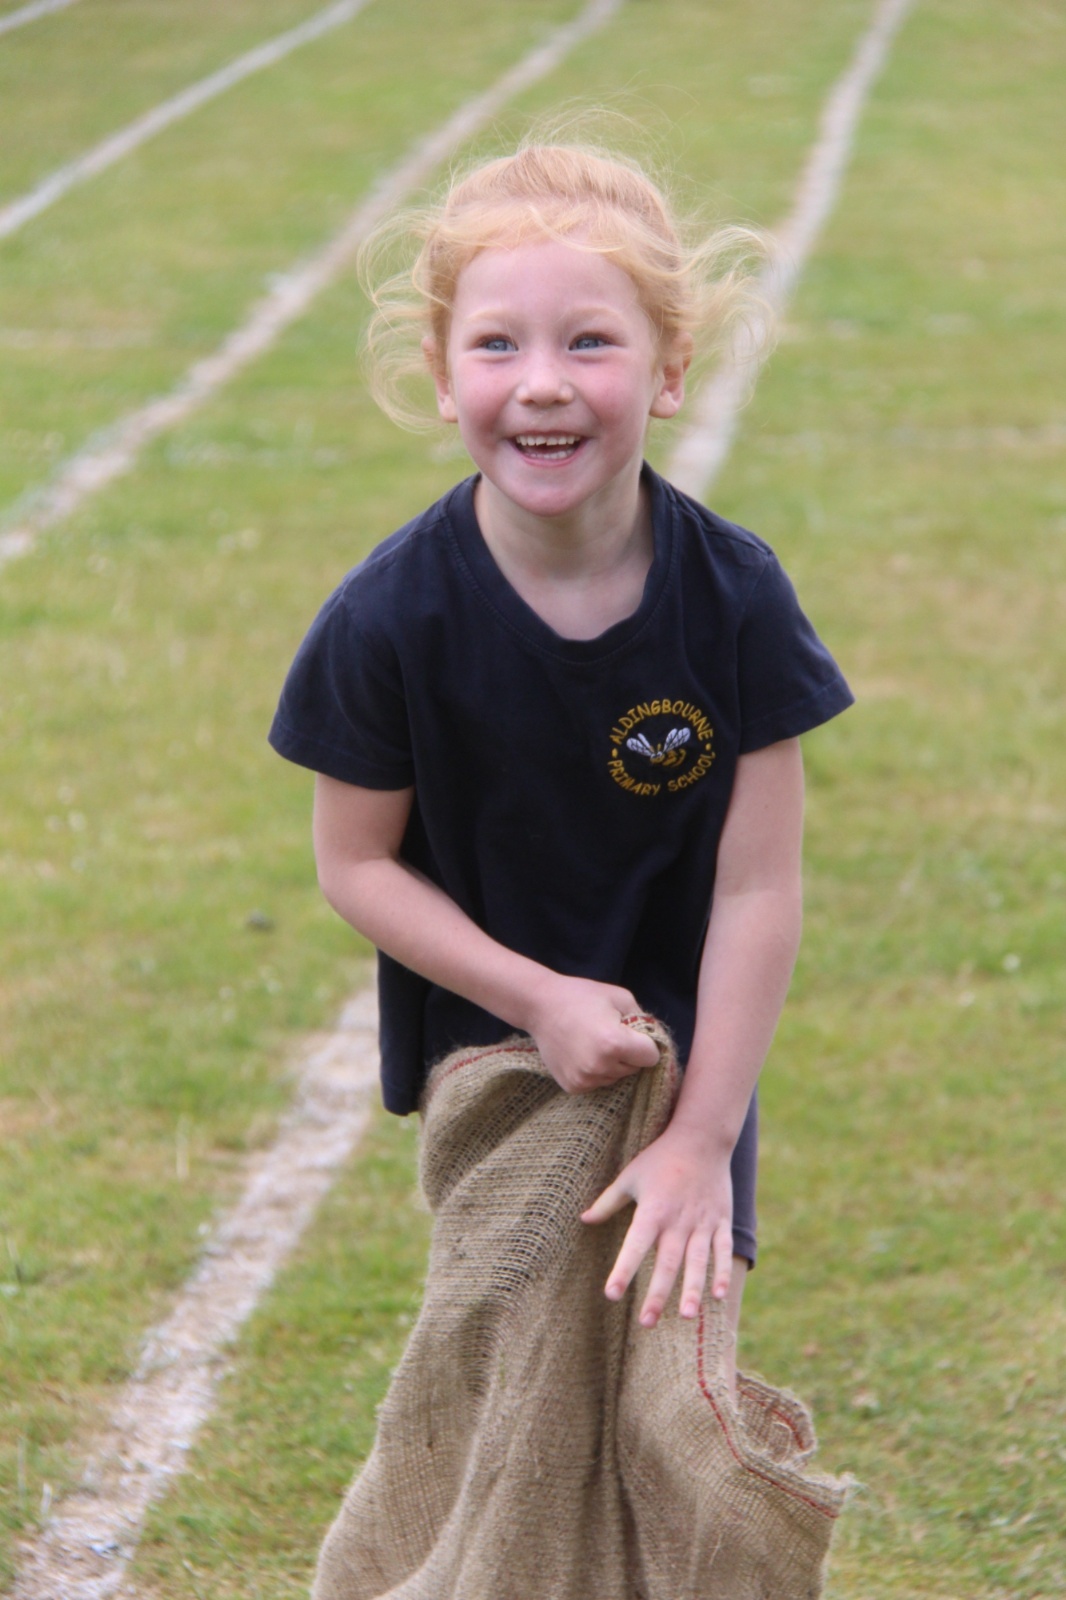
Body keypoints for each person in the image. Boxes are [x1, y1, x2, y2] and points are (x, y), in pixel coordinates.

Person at [269, 140, 853, 1395]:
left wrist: (703, 1136)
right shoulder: (387, 620)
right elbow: (355, 863)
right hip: (497, 1065)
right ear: (441, 377)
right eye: (496, 345)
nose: (542, 384)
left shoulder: (736, 600)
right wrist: (537, 998)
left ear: (669, 369)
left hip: (686, 1075)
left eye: (590, 342)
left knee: (667, 1396)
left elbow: (758, 887)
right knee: (520, 1395)